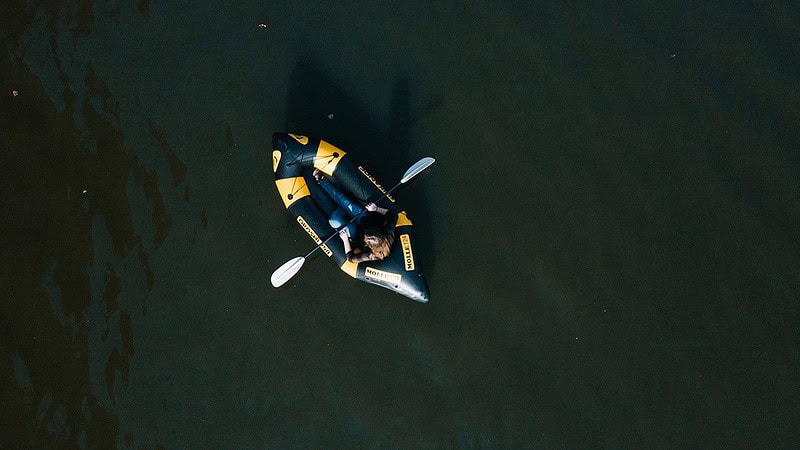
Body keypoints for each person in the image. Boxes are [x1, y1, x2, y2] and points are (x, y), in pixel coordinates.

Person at [313, 169, 396, 263]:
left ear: (369, 245)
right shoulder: (388, 234)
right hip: (365, 219)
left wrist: (345, 240)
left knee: (333, 220)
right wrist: (376, 209)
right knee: (345, 202)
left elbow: (351, 258)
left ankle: (343, 208)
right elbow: (393, 215)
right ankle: (322, 181)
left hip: (355, 233)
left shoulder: (371, 255)